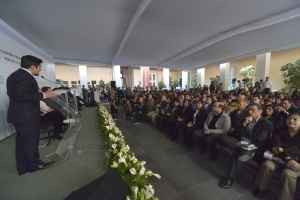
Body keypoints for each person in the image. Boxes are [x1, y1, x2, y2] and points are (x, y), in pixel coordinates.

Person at [6, 55, 55, 175]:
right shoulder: (25, 77)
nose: (41, 69)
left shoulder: (13, 76)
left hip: (18, 115)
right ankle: (34, 164)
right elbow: (21, 96)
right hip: (26, 116)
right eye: (39, 67)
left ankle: (23, 168)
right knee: (31, 141)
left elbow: (14, 94)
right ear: (32, 66)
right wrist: (43, 95)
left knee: (22, 143)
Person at [218, 103, 273, 189]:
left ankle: (229, 178)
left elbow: (259, 138)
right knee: (222, 137)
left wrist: (243, 132)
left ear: (260, 111)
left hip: (253, 146)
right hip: (240, 143)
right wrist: (244, 123)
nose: (250, 112)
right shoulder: (246, 118)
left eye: (253, 110)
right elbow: (236, 130)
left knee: (238, 153)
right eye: (249, 110)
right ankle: (244, 151)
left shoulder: (267, 124)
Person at [254, 113, 300, 200]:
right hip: (280, 158)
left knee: (288, 174)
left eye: (295, 119)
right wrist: (288, 158)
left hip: (297, 162)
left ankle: (286, 198)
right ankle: (261, 188)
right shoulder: (280, 130)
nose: (291, 120)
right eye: (289, 118)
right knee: (267, 165)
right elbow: (275, 147)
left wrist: (283, 150)